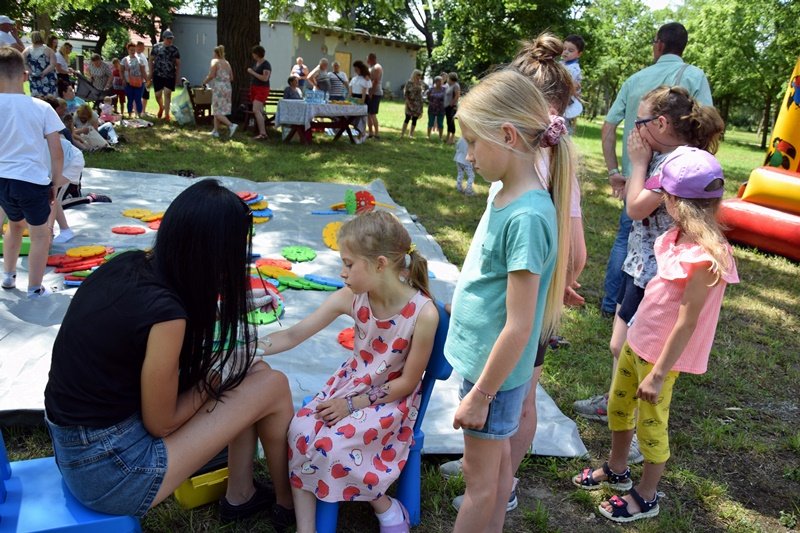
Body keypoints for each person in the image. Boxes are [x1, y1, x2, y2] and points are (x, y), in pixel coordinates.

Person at [43, 179, 296, 530]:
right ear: (214, 256)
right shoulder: (167, 315)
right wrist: (217, 376)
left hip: (78, 448)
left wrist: (226, 338)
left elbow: (139, 329)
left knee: (258, 374)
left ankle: (242, 493)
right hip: (109, 470)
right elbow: (161, 423)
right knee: (272, 384)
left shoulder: (131, 265)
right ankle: (289, 503)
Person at [441, 32, 588, 514]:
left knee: (480, 485)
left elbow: (520, 325)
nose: (467, 156)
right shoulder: (508, 192)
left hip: (494, 376)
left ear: (506, 135)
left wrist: (482, 394)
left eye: (471, 143)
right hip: (489, 367)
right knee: (493, 475)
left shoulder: (526, 215)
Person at [572, 146, 738, 523]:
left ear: (681, 203)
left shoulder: (706, 257)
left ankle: (646, 495)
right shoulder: (677, 237)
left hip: (659, 360)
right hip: (637, 341)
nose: (663, 202)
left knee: (650, 425)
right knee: (618, 408)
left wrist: (660, 373)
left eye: (666, 196)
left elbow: (687, 320)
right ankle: (616, 469)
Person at [260, 210, 439, 533]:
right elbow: (293, 334)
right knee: (300, 429)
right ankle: (306, 528)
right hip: (350, 386)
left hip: (390, 400)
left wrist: (351, 405)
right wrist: (252, 347)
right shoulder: (352, 297)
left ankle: (385, 506)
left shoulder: (422, 314)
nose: (342, 273)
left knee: (334, 445)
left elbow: (409, 381)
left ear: (380, 264)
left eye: (348, 264)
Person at [577, 85, 725, 454]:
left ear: (658, 123)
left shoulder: (677, 162)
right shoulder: (667, 158)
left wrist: (638, 165)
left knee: (638, 351)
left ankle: (633, 428)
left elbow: (637, 208)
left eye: (637, 123)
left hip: (658, 275)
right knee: (619, 344)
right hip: (640, 264)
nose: (633, 131)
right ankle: (617, 405)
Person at [597, 22, 712, 320]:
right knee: (662, 241)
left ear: (658, 44)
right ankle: (636, 307)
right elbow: (707, 125)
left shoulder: (636, 79)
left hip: (642, 176)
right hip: (674, 183)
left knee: (630, 237)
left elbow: (608, 127)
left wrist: (614, 170)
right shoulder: (695, 77)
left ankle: (615, 304)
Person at [0, 47, 64, 298]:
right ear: (26, 76)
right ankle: (35, 288)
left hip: (2, 180)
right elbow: (56, 152)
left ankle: (8, 276)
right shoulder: (42, 107)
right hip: (31, 181)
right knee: (40, 234)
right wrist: (55, 184)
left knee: (14, 226)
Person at [202, 45, 236, 139]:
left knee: (217, 111)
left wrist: (204, 82)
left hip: (219, 87)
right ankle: (215, 131)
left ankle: (231, 125)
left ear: (216, 53)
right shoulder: (227, 63)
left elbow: (211, 75)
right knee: (219, 109)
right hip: (227, 87)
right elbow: (232, 77)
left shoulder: (215, 62)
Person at [149, 29, 180, 121]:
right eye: (168, 38)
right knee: (158, 94)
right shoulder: (156, 47)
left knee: (167, 93)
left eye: (171, 38)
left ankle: (166, 115)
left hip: (170, 75)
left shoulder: (175, 49)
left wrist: (177, 76)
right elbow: (150, 60)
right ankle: (161, 107)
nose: (170, 40)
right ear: (163, 38)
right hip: (158, 74)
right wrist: (150, 73)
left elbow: (178, 64)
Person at [247, 45, 271, 140]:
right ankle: (261, 131)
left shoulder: (266, 64)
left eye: (254, 53)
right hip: (255, 88)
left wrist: (252, 72)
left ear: (257, 54)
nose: (252, 55)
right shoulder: (256, 63)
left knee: (256, 110)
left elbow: (265, 78)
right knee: (259, 111)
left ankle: (263, 133)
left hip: (262, 89)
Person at [23, 31, 57, 97]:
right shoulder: (48, 50)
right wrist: (43, 73)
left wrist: (31, 72)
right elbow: (53, 64)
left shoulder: (27, 50)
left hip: (34, 78)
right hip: (48, 78)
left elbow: (23, 63)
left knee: (36, 99)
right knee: (50, 99)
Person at [562, 34, 585, 129]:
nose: (566, 52)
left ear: (579, 54)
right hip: (561, 102)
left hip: (566, 105)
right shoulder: (562, 64)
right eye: (564, 49)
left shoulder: (574, 69)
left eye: (571, 50)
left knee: (563, 129)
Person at [121, 42, 146, 118]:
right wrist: (123, 79)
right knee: (130, 99)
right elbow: (121, 71)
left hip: (139, 83)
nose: (132, 51)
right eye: (131, 50)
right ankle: (129, 114)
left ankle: (139, 115)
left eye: (133, 50)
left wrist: (147, 80)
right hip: (128, 83)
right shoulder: (124, 60)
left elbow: (143, 71)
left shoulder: (140, 60)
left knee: (138, 99)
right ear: (128, 50)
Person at [349, 60, 371, 142]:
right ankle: (360, 133)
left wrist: (362, 100)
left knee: (362, 118)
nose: (355, 71)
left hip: (362, 98)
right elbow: (350, 88)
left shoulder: (365, 79)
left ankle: (361, 135)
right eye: (355, 69)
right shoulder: (354, 79)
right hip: (354, 98)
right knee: (354, 117)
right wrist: (350, 98)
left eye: (357, 69)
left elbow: (365, 90)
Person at [401, 69, 423, 139]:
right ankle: (402, 133)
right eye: (418, 75)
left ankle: (411, 134)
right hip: (409, 102)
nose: (419, 76)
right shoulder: (409, 82)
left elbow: (421, 93)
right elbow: (406, 93)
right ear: (414, 74)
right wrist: (408, 102)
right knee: (407, 118)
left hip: (418, 104)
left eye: (420, 75)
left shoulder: (420, 83)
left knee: (414, 119)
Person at [366, 53, 383, 139]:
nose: (366, 61)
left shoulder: (377, 67)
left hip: (375, 93)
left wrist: (371, 93)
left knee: (372, 114)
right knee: (368, 114)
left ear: (371, 59)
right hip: (369, 93)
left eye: (367, 59)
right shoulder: (371, 68)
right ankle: (370, 133)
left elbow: (375, 81)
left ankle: (377, 134)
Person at [426, 76, 446, 141]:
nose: (440, 83)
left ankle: (440, 137)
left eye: (441, 81)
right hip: (432, 108)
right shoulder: (431, 89)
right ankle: (428, 136)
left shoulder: (444, 89)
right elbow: (427, 97)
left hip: (441, 109)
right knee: (430, 122)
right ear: (436, 82)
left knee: (440, 123)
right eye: (439, 81)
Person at [443, 72, 461, 145]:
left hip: (452, 107)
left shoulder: (456, 85)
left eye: (448, 78)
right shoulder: (448, 85)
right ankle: (447, 137)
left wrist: (451, 104)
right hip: (447, 106)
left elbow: (457, 96)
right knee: (448, 122)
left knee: (451, 122)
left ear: (451, 78)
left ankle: (452, 139)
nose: (447, 79)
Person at [135, 42, 150, 115]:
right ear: (138, 47)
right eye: (142, 47)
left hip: (146, 78)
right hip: (140, 80)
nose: (143, 48)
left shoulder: (143, 55)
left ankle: (143, 111)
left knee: (145, 96)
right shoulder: (135, 56)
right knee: (138, 96)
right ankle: (138, 111)